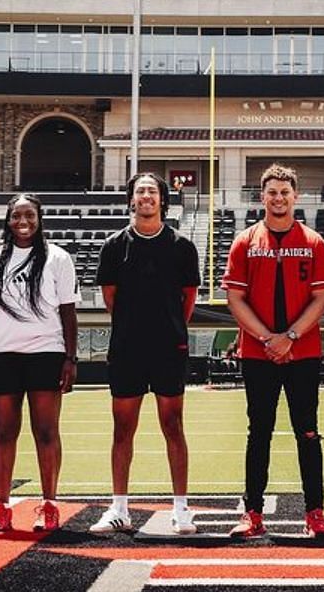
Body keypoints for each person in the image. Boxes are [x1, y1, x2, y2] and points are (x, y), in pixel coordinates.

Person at [221, 164, 324, 538]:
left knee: (308, 432)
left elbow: (321, 297)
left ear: (295, 196)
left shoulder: (314, 241)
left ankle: (315, 513)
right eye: (272, 192)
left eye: (285, 192)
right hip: (258, 354)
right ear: (262, 196)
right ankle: (252, 513)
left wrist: (290, 335)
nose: (278, 198)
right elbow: (235, 298)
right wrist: (269, 339)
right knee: (260, 433)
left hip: (303, 353)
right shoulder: (245, 241)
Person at [90, 173, 201, 535]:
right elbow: (111, 299)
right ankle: (119, 507)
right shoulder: (113, 245)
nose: (147, 197)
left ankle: (181, 509)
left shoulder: (182, 246)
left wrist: (166, 329)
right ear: (131, 200)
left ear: (162, 200)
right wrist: (134, 327)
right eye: (140, 192)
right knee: (123, 428)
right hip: (127, 348)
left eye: (153, 191)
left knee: (174, 426)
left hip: (169, 346)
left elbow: (188, 299)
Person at [0, 193, 80, 534]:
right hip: (0, 355)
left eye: (29, 215)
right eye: (17, 215)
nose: (23, 221)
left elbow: (68, 311)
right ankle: (1, 506)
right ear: (7, 220)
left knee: (46, 432)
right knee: (4, 432)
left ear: (39, 218)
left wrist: (70, 358)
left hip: (46, 352)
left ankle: (49, 505)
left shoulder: (58, 259)